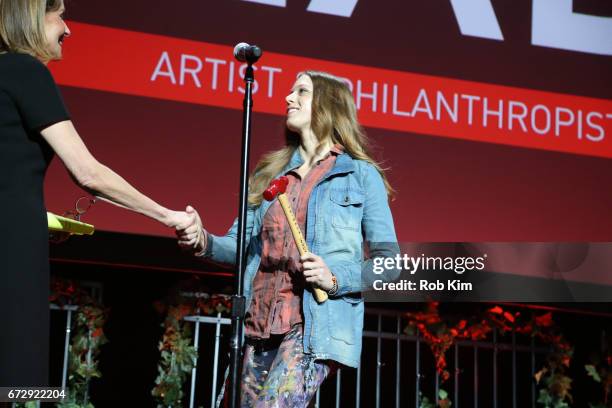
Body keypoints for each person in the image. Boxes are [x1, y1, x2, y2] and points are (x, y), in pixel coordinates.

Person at [0, 0, 193, 387]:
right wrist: (167, 215)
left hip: (16, 233)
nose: (67, 29)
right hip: (11, 252)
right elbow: (88, 173)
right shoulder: (25, 70)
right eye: (60, 16)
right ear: (32, 18)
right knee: (9, 382)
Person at [178, 70, 400, 407]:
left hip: (312, 327)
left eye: (301, 92)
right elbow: (242, 245)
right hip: (259, 323)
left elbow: (390, 265)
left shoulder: (360, 175)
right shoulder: (270, 173)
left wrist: (335, 277)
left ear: (328, 104)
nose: (288, 98)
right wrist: (202, 239)